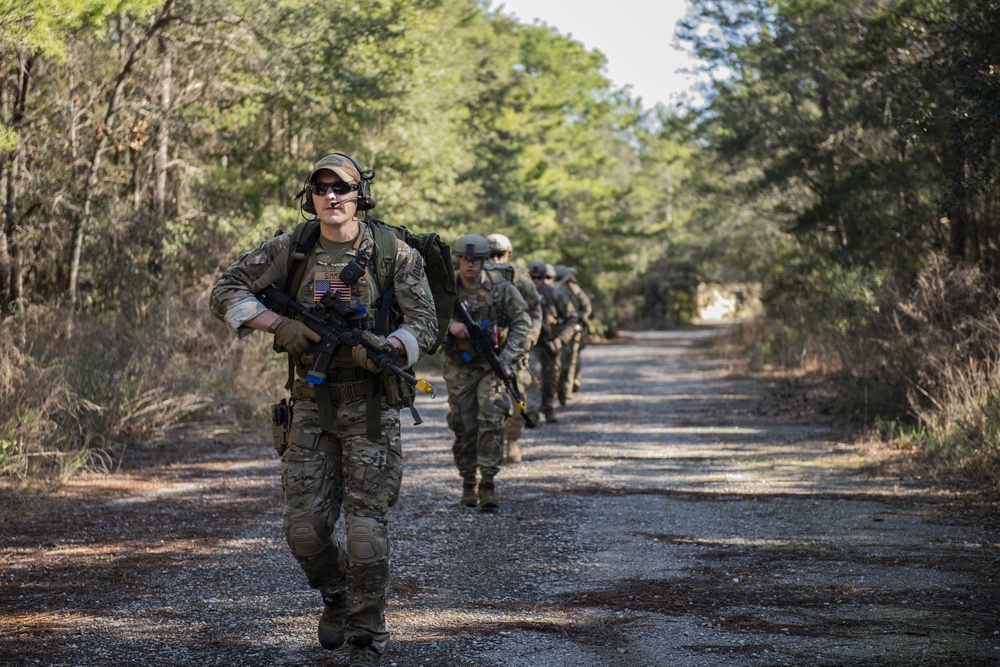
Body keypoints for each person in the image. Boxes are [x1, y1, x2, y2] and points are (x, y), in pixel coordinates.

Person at [209, 152, 438, 667]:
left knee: (364, 532)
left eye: (343, 187)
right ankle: (337, 595)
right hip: (310, 408)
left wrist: (390, 347)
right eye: (321, 187)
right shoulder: (291, 247)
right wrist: (278, 325)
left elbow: (426, 324)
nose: (332, 196)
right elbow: (225, 290)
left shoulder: (393, 253)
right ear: (310, 195)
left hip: (371, 408)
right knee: (305, 533)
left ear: (361, 194)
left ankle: (366, 634)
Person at [442, 233, 531, 509]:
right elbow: (420, 317)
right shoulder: (446, 287)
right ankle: (468, 482)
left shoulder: (500, 288)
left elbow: (522, 322)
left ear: (483, 261)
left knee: (491, 422)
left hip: (492, 367)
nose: (470, 265)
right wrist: (449, 327)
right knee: (464, 426)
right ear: (458, 259)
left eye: (476, 259)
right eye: (465, 259)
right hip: (459, 368)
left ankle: (488, 484)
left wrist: (506, 358)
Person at [486, 233, 542, 463]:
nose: (496, 259)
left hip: (514, 348)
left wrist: (528, 338)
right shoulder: (475, 278)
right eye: (491, 254)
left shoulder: (519, 279)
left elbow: (535, 311)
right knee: (486, 399)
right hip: (484, 349)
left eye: (500, 254)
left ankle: (512, 440)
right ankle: (490, 444)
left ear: (509, 254)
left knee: (516, 396)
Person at [527, 260, 578, 423]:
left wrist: (561, 339)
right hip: (532, 343)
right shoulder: (523, 294)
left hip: (552, 342)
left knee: (551, 376)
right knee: (533, 375)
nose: (536, 281)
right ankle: (532, 412)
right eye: (532, 278)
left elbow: (572, 318)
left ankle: (548, 408)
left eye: (539, 278)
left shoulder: (556, 294)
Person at [555, 264, 593, 403]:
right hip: (559, 329)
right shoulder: (553, 289)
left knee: (571, 359)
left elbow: (586, 307)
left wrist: (579, 319)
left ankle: (567, 389)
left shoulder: (573, 289)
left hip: (574, 328)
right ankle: (558, 389)